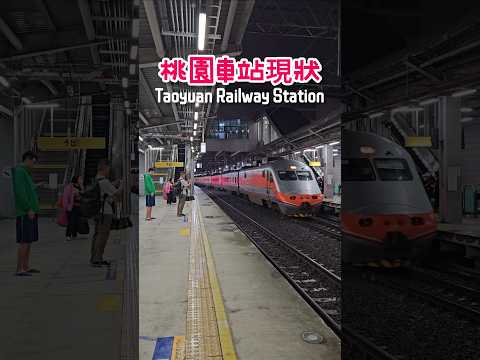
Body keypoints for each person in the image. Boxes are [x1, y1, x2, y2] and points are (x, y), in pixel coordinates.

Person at [12, 151, 40, 276]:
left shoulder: (26, 174)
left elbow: (28, 189)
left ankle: (26, 266)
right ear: (28, 160)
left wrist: (36, 186)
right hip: (25, 212)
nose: (34, 165)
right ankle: (20, 269)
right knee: (24, 240)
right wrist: (28, 208)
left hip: (31, 212)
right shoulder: (20, 172)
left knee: (29, 240)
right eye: (33, 162)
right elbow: (20, 193)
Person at [90, 159, 123, 267]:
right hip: (105, 213)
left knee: (97, 235)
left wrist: (113, 184)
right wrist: (123, 185)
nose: (109, 170)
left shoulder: (97, 180)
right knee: (102, 236)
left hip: (97, 211)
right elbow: (116, 193)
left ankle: (94, 257)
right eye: (108, 168)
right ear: (104, 168)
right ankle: (98, 259)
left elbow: (106, 189)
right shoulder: (104, 182)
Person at [63, 175, 84, 241]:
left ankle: (74, 234)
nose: (81, 180)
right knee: (71, 221)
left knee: (76, 221)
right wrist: (66, 206)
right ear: (76, 179)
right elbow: (65, 197)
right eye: (80, 178)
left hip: (79, 206)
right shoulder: (69, 187)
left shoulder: (81, 186)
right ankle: (68, 235)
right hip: (71, 207)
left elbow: (83, 194)